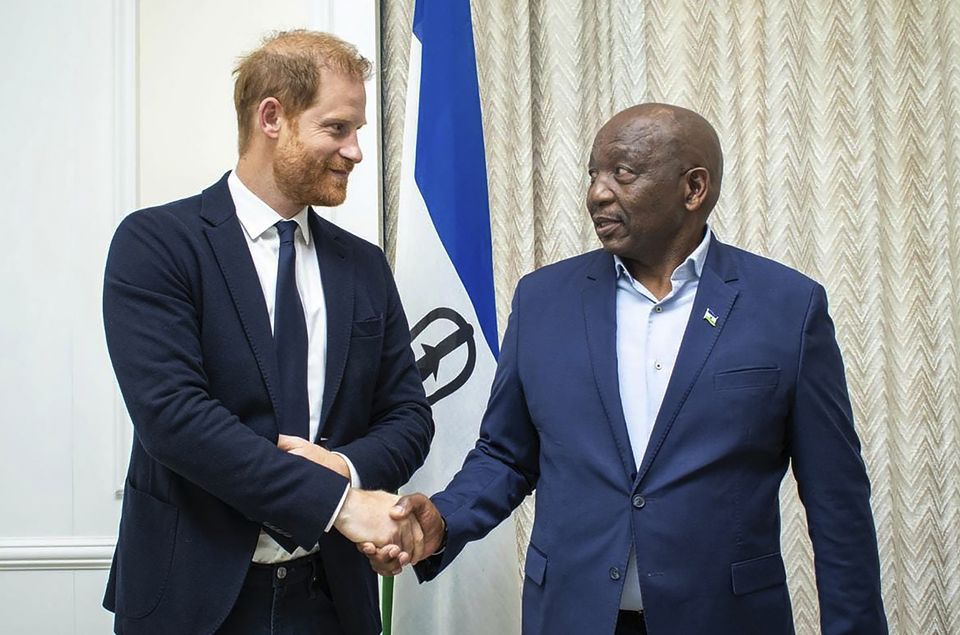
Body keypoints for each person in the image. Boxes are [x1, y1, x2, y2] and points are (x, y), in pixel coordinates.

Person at [364, 103, 888, 634]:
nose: (597, 192)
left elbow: (836, 499)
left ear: (694, 188)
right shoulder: (543, 299)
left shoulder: (787, 309)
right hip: (572, 617)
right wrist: (443, 519)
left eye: (623, 172)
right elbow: (507, 454)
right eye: (593, 173)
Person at [102, 30, 433, 635]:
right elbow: (174, 419)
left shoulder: (363, 266)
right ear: (272, 117)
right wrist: (339, 505)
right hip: (191, 598)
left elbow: (409, 416)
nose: (356, 151)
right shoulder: (156, 245)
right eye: (338, 128)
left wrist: (342, 467)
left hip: (330, 600)